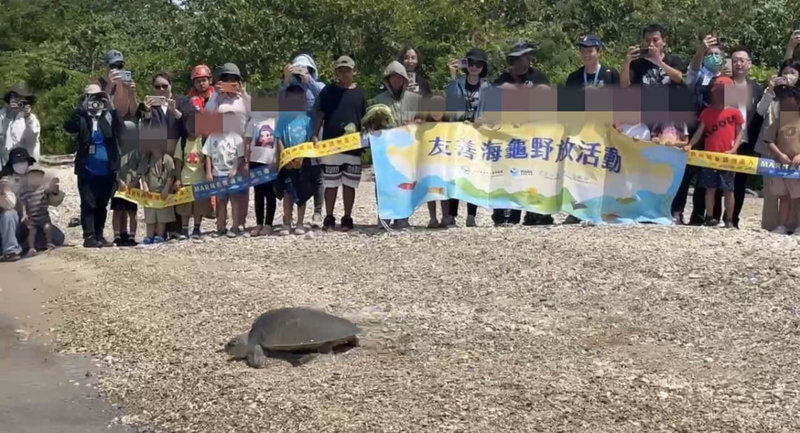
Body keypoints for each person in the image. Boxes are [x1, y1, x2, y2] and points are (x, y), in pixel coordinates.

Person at [491, 42, 550, 226]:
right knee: (508, 173)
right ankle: (506, 213)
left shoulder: (539, 77)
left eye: (524, 56)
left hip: (534, 133)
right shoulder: (502, 80)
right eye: (516, 58)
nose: (520, 61)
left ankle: (536, 213)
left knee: (536, 173)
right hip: (508, 134)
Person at [313, 56, 367, 232]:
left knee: (350, 183)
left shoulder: (360, 93)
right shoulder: (327, 91)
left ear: (354, 71)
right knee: (331, 182)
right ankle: (329, 216)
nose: (344, 74)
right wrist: (314, 135)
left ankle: (347, 216)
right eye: (341, 70)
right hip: (331, 144)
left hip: (353, 146)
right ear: (336, 72)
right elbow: (319, 113)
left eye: (347, 70)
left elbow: (366, 118)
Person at [64, 83, 121, 248]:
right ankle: (89, 236)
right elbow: (68, 127)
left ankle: (99, 235)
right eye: (92, 98)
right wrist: (81, 109)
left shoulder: (108, 116)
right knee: (88, 203)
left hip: (107, 169)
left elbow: (121, 129)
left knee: (102, 203)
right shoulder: (81, 117)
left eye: (99, 98)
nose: (96, 102)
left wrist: (110, 105)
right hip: (87, 168)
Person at [686, 76, 744, 228]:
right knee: (710, 188)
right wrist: (690, 145)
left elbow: (739, 133)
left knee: (728, 190)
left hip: (728, 157)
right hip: (709, 157)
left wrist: (733, 149)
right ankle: (710, 217)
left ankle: (729, 219)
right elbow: (700, 132)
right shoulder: (707, 112)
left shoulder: (735, 112)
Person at [372, 60, 422, 229]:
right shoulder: (379, 100)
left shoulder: (415, 99)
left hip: (407, 149)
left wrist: (414, 123)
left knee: (405, 183)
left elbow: (423, 122)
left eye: (399, 77)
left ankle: (402, 216)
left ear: (404, 79)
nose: (395, 81)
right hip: (386, 149)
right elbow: (372, 124)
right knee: (384, 182)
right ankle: (384, 216)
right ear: (387, 79)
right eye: (392, 78)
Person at [445, 47, 491, 227]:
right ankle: (452, 214)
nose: (474, 67)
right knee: (456, 173)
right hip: (458, 133)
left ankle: (471, 215)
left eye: (478, 64)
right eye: (471, 63)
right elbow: (449, 103)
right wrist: (452, 75)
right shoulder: (456, 84)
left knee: (474, 174)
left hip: (478, 135)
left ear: (483, 66)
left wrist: (484, 120)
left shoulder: (488, 87)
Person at [281, 54, 326, 228]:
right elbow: (280, 99)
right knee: (295, 174)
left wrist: (309, 81)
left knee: (317, 174)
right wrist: (287, 78)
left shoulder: (318, 85)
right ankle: (290, 216)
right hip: (294, 134)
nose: (301, 71)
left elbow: (324, 97)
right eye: (298, 68)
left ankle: (317, 211)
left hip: (315, 133)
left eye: (304, 68)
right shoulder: (291, 87)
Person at [206, 63, 250, 237]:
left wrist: (244, 93)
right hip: (220, 145)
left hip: (241, 144)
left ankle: (240, 223)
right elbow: (207, 114)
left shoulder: (243, 98)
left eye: (233, 79)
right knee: (222, 194)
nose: (229, 82)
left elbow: (255, 112)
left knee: (242, 189)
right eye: (226, 79)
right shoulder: (216, 98)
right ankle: (221, 224)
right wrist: (216, 93)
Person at [756, 60, 800, 231]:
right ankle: (772, 226)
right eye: (786, 72)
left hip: (795, 153)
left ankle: (793, 226)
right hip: (769, 148)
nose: (788, 76)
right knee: (773, 192)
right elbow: (760, 110)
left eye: (793, 73)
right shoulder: (773, 94)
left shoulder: (796, 99)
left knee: (796, 193)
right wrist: (771, 89)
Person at [275, 85, 318, 236]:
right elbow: (278, 138)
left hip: (302, 160)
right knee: (287, 192)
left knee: (302, 191)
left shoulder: (307, 120)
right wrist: (284, 158)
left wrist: (302, 157)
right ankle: (287, 222)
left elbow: (309, 139)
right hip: (286, 161)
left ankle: (300, 222)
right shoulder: (282, 119)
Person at [241, 103, 277, 236]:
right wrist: (245, 161)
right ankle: (259, 223)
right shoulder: (254, 121)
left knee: (270, 194)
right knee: (258, 193)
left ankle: (268, 224)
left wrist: (277, 159)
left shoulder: (276, 121)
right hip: (255, 161)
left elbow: (278, 140)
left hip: (270, 162)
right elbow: (247, 141)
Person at [174, 109, 211, 240]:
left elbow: (207, 157)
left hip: (200, 178)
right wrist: (178, 179)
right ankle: (184, 228)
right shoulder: (183, 141)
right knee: (185, 206)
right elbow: (178, 161)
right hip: (186, 178)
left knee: (198, 206)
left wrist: (208, 173)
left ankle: (196, 227)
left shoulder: (204, 140)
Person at [18, 164, 54, 256]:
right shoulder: (25, 192)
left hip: (44, 217)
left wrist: (54, 188)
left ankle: (49, 243)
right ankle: (31, 248)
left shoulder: (43, 189)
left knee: (47, 228)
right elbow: (23, 204)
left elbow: (52, 192)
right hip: (32, 218)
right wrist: (24, 214)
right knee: (32, 232)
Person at [0, 83, 40, 167]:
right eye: (14, 97)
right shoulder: (2, 116)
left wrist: (27, 117)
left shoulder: (31, 119)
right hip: (6, 165)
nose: (16, 100)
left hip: (26, 165)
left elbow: (32, 136)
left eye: (19, 98)